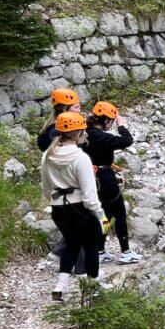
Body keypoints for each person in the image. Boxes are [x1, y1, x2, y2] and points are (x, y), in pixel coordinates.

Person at [40, 112, 108, 299]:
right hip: (80, 208)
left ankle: (60, 287)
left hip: (58, 209)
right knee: (91, 244)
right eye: (83, 131)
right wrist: (101, 215)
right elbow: (89, 195)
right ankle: (93, 287)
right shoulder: (81, 158)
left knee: (72, 244)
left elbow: (46, 188)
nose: (86, 134)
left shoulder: (47, 155)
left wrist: (55, 200)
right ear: (77, 133)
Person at [85, 101, 141, 265]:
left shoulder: (85, 132)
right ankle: (126, 252)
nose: (111, 124)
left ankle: (100, 250)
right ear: (104, 120)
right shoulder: (101, 136)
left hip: (93, 178)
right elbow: (126, 141)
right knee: (120, 214)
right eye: (110, 121)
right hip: (105, 178)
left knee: (105, 215)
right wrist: (121, 125)